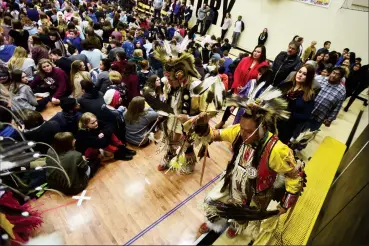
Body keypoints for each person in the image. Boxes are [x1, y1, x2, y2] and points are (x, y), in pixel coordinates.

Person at [194, 88, 304, 239]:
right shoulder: (238, 131)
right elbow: (214, 135)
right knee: (212, 201)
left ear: (263, 128)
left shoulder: (278, 150)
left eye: (248, 131)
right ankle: (214, 221)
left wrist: (284, 205)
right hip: (232, 180)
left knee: (242, 216)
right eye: (242, 129)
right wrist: (203, 126)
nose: (243, 134)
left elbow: (294, 176)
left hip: (256, 193)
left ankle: (236, 225)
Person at [153, 49, 225, 174]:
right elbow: (167, 97)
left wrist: (191, 118)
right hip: (172, 118)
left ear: (181, 75)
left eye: (171, 80)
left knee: (186, 144)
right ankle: (169, 156)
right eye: (168, 79)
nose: (169, 82)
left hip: (189, 122)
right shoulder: (169, 83)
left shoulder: (196, 86)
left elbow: (210, 111)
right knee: (170, 139)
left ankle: (190, 162)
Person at [277, 64, 316, 144]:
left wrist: (290, 114)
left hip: (287, 128)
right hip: (274, 122)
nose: (300, 75)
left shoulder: (309, 94)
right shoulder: (286, 85)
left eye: (304, 74)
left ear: (309, 78)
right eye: (299, 72)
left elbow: (306, 116)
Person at [309, 67, 346, 131]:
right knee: (297, 131)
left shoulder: (341, 91)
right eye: (333, 72)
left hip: (320, 116)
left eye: (337, 74)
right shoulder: (319, 80)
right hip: (307, 111)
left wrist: (330, 119)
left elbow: (337, 107)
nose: (334, 75)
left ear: (340, 78)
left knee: (308, 134)